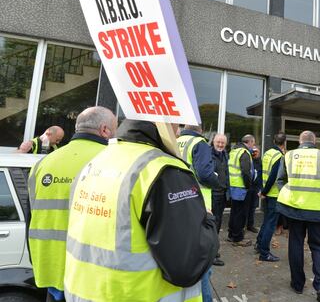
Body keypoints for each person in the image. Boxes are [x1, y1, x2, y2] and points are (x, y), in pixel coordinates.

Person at [64, 120, 219, 302]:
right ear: (164, 123)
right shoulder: (162, 170)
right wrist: (208, 220)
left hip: (87, 293)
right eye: (176, 123)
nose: (177, 131)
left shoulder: (97, 160)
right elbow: (189, 265)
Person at [27, 107, 117, 302]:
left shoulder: (43, 164)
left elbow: (31, 216)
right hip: (90, 274)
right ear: (104, 130)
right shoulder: (113, 161)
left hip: (50, 268)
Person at [276, 131, 320, 302]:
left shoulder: (289, 155)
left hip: (295, 209)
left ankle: (297, 284)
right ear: (314, 141)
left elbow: (280, 180)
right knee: (318, 247)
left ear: (300, 141)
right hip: (317, 211)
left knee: (295, 245)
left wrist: (289, 195)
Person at [177, 125, 220, 302]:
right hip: (199, 202)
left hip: (178, 198)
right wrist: (216, 178)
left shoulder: (176, 141)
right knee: (202, 259)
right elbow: (205, 174)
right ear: (201, 130)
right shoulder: (199, 143)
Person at [255, 132, 287, 262]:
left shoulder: (267, 153)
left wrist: (262, 190)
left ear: (274, 140)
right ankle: (264, 253)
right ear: (284, 143)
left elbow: (261, 172)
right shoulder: (279, 156)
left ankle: (259, 244)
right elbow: (274, 177)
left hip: (267, 192)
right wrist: (265, 191)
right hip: (274, 194)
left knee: (266, 220)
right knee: (270, 224)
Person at [227, 134, 255, 247]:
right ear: (249, 142)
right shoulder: (244, 153)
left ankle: (231, 234)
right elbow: (246, 172)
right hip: (241, 187)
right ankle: (238, 238)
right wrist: (248, 185)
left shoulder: (234, 151)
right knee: (241, 214)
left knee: (234, 211)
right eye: (253, 143)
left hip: (233, 185)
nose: (253, 146)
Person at [211, 133, 230, 266]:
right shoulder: (208, 155)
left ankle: (213, 250)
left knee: (217, 224)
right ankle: (211, 255)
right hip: (213, 194)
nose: (220, 145)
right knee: (212, 225)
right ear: (213, 142)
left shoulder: (225, 154)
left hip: (222, 194)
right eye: (218, 142)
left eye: (223, 143)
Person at [246, 145, 262, 233]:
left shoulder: (259, 162)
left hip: (256, 188)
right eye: (253, 151)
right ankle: (243, 226)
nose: (254, 153)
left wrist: (260, 188)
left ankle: (250, 225)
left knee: (253, 208)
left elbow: (261, 174)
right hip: (248, 187)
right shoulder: (248, 160)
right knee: (245, 208)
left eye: (256, 151)